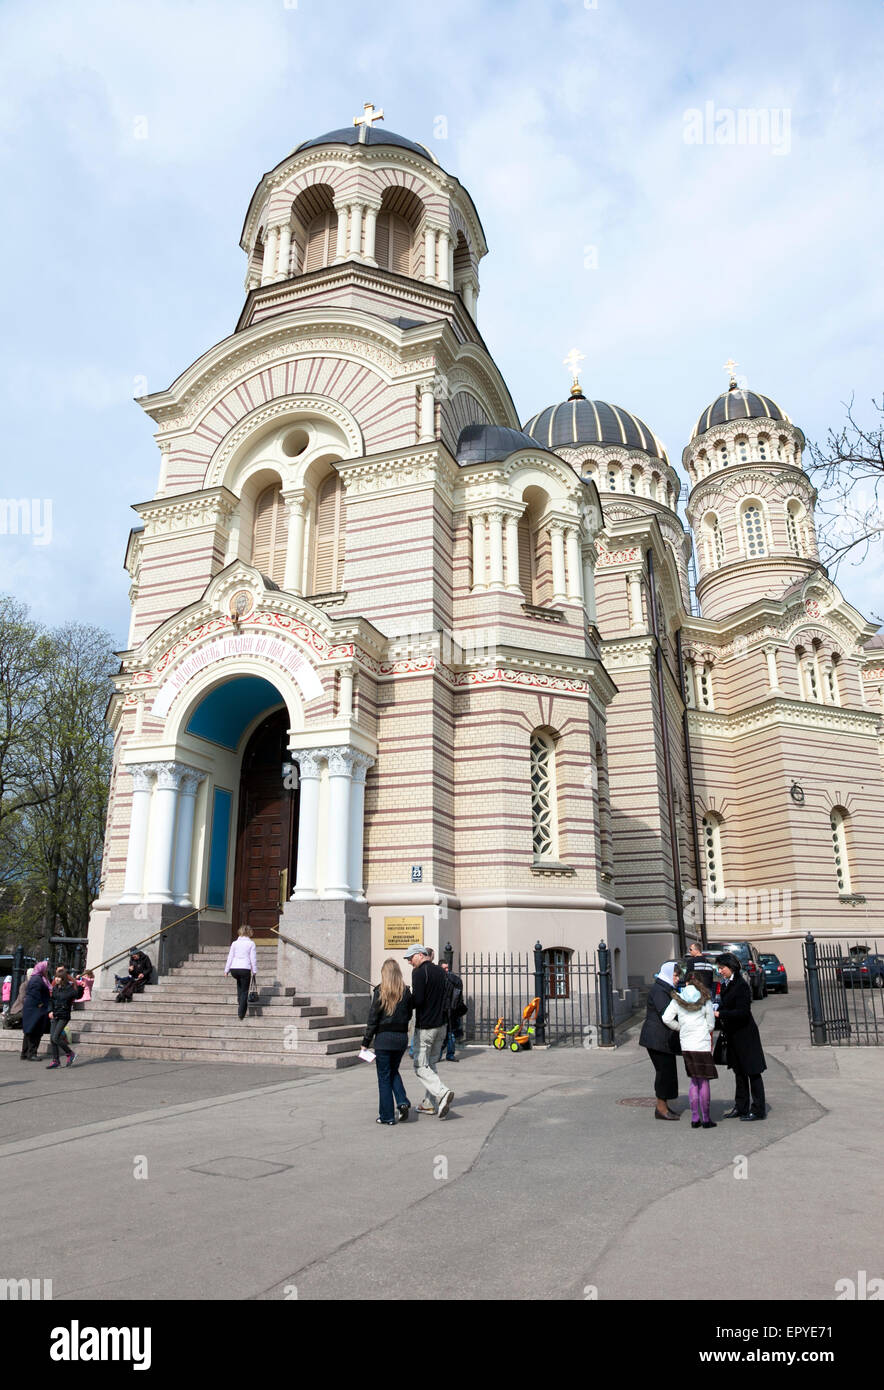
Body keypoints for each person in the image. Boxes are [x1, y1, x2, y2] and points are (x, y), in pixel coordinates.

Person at [403, 944, 454, 1119]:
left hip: (426, 1026)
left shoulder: (418, 973)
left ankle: (442, 1093)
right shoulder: (441, 972)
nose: (409, 962)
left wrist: (406, 999)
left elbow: (418, 1000)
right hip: (441, 1025)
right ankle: (429, 1104)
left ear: (419, 955)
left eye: (410, 958)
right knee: (431, 1065)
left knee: (419, 1066)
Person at [662, 973, 718, 1128]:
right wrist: (703, 1032)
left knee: (694, 1080)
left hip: (687, 1044)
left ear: (685, 982)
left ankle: (695, 1118)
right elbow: (711, 1025)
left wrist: (680, 1028)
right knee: (704, 1080)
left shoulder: (677, 999)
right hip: (702, 1044)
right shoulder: (705, 999)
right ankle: (706, 1119)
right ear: (699, 982)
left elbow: (666, 1018)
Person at [715, 952, 767, 1120]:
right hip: (733, 1035)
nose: (720, 971)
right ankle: (741, 1106)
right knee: (739, 1072)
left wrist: (720, 1014)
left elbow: (743, 1012)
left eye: (722, 968)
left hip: (745, 1035)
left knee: (753, 1071)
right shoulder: (725, 984)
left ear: (731, 967)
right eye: (719, 968)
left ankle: (758, 1109)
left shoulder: (741, 985)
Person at [362, 958, 414, 1125]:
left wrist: (366, 1041)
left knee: (384, 1077)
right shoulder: (406, 992)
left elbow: (373, 1019)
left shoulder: (379, 991)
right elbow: (409, 1015)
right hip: (400, 1038)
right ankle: (402, 1101)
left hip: (383, 1039)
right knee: (393, 1071)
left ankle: (387, 1116)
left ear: (384, 974)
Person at [638, 960, 682, 1120]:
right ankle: (661, 1109)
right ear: (669, 975)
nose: (677, 979)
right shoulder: (660, 990)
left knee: (667, 1071)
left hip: (662, 1038)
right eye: (676, 976)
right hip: (657, 1038)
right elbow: (666, 1014)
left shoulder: (666, 988)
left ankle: (664, 1106)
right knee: (663, 1072)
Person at [46, 967, 84, 1069]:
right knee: (52, 1039)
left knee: (55, 1037)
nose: (56, 979)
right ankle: (56, 1061)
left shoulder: (69, 989)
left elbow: (78, 995)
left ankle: (70, 1053)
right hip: (55, 1015)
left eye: (59, 977)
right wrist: (50, 1011)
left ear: (63, 978)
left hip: (64, 1016)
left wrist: (81, 987)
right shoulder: (55, 988)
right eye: (56, 977)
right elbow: (51, 1000)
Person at [224, 926, 258, 1020]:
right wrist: (254, 971)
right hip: (245, 968)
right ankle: (241, 1013)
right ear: (249, 933)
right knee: (244, 991)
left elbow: (230, 957)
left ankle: (240, 1003)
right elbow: (253, 959)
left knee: (239, 987)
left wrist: (226, 970)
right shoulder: (251, 944)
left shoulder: (234, 943)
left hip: (234, 969)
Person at [21, 962, 52, 1060]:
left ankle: (25, 1053)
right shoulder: (37, 980)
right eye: (46, 968)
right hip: (35, 1010)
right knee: (35, 1031)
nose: (47, 970)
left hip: (33, 1009)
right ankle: (32, 1054)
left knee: (29, 1031)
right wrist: (40, 1004)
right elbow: (35, 994)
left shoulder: (36, 978)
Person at [437, 960, 465, 1062]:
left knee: (450, 1034)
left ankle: (449, 1054)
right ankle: (439, 1055)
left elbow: (457, 993)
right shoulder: (439, 979)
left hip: (451, 1011)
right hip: (443, 1011)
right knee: (441, 1035)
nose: (447, 970)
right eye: (444, 968)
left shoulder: (452, 979)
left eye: (447, 968)